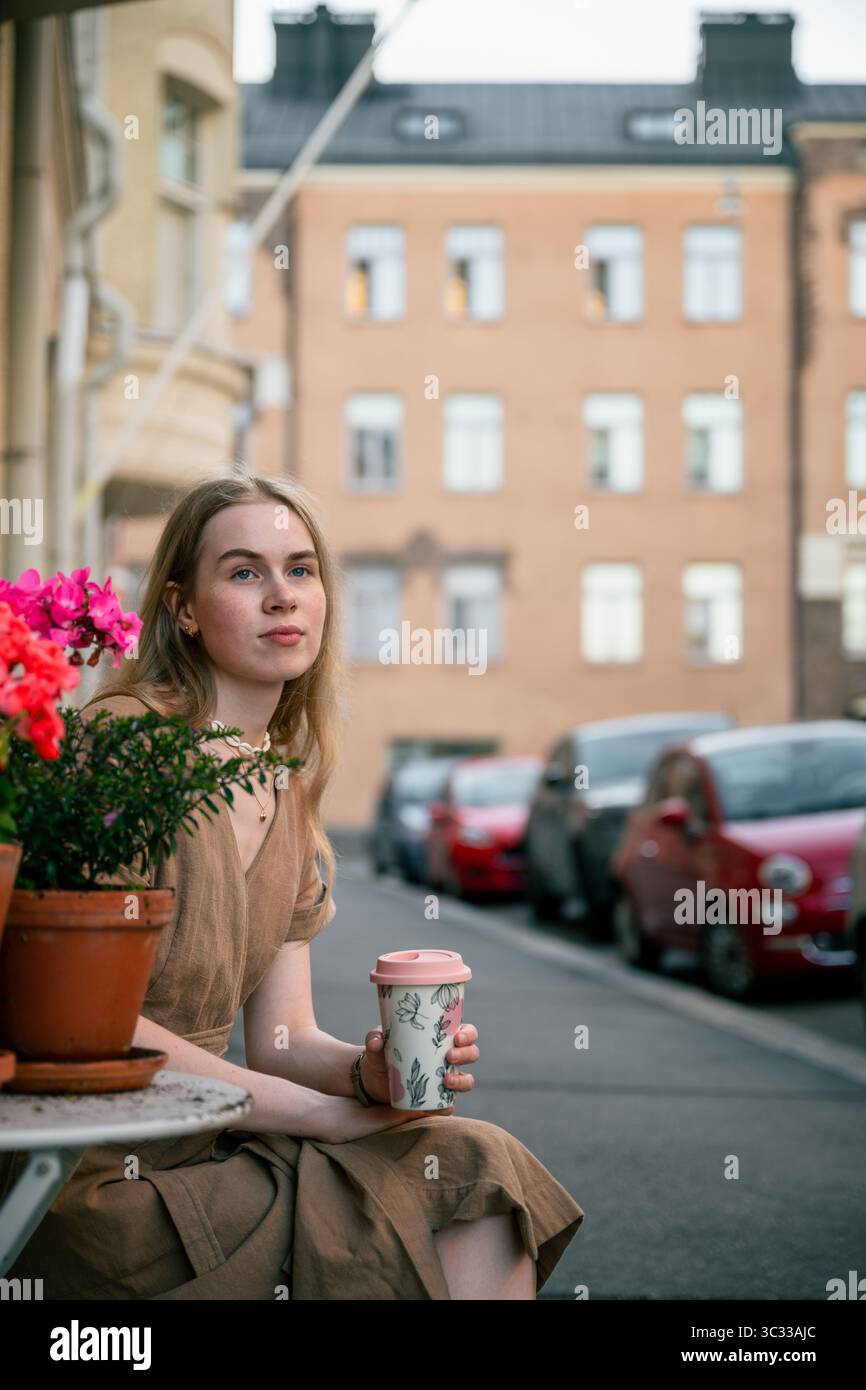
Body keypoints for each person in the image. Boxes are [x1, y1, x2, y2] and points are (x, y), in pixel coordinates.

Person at [2, 472, 585, 1300]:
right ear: (184, 608)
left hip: (207, 1153)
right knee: (447, 1196)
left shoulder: (285, 784)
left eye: (301, 570)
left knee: (477, 1169)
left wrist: (370, 1076)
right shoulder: (124, 743)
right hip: (87, 1176)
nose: (282, 596)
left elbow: (282, 1039)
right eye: (244, 573)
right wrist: (325, 1116)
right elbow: (92, 1024)